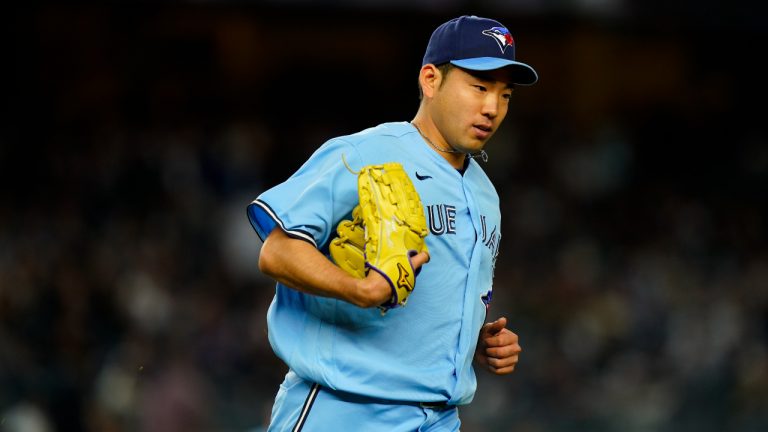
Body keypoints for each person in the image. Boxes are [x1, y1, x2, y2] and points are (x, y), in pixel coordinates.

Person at [247, 14, 538, 431]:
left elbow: (433, 300)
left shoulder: (485, 193)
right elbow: (275, 250)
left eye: (505, 94)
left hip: (439, 417)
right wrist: (358, 289)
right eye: (479, 87)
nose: (492, 107)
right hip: (347, 408)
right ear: (431, 79)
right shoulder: (367, 152)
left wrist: (473, 342)